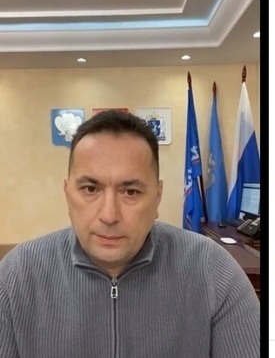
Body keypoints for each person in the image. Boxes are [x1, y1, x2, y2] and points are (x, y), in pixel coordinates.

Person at [0, 110, 260, 357]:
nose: (109, 215)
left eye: (131, 192)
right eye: (90, 189)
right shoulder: (16, 276)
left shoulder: (214, 272)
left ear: (157, 197)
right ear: (68, 194)